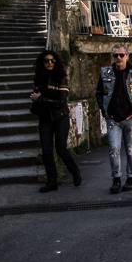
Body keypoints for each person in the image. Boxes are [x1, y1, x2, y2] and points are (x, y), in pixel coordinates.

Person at [96, 43, 132, 194]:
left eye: (121, 55)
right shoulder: (106, 73)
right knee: (114, 148)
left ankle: (130, 178)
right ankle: (116, 179)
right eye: (115, 55)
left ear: (127, 56)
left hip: (130, 119)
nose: (118, 58)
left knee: (130, 150)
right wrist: (104, 111)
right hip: (113, 119)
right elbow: (99, 93)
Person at [30, 50, 82, 193]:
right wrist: (36, 100)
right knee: (46, 151)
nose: (49, 63)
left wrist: (40, 99)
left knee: (61, 149)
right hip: (45, 118)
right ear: (42, 62)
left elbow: (60, 102)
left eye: (52, 60)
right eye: (46, 60)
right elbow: (37, 96)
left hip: (60, 117)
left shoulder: (61, 78)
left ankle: (75, 171)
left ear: (56, 62)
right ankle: (52, 181)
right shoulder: (39, 78)